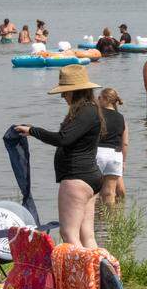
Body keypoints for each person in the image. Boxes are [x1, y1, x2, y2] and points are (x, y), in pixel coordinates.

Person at [14, 65, 104, 248]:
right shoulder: (91, 110)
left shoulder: (85, 112)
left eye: (65, 92)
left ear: (76, 91)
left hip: (77, 178)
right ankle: (95, 275)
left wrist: (33, 131)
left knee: (69, 234)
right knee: (86, 235)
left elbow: (63, 139)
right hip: (89, 176)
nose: (63, 96)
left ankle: (79, 276)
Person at [96, 88, 128, 205]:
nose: (97, 100)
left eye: (99, 98)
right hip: (115, 155)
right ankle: (112, 221)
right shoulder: (121, 117)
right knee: (109, 193)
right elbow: (125, 143)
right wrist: (123, 161)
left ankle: (96, 221)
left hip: (98, 153)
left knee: (94, 192)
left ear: (105, 99)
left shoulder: (97, 114)